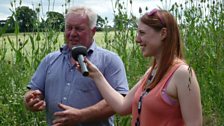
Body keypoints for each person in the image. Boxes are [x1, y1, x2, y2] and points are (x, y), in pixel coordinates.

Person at [78, 9, 202, 126]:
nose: (137, 39)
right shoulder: (153, 71)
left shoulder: (183, 74)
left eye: (142, 33)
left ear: (163, 33)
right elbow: (122, 106)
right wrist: (96, 75)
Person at [23, 6, 129, 126]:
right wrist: (31, 100)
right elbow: (34, 91)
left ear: (93, 31)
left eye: (79, 29)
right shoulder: (50, 59)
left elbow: (119, 101)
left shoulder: (110, 60)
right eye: (69, 28)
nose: (72, 33)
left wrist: (81, 116)